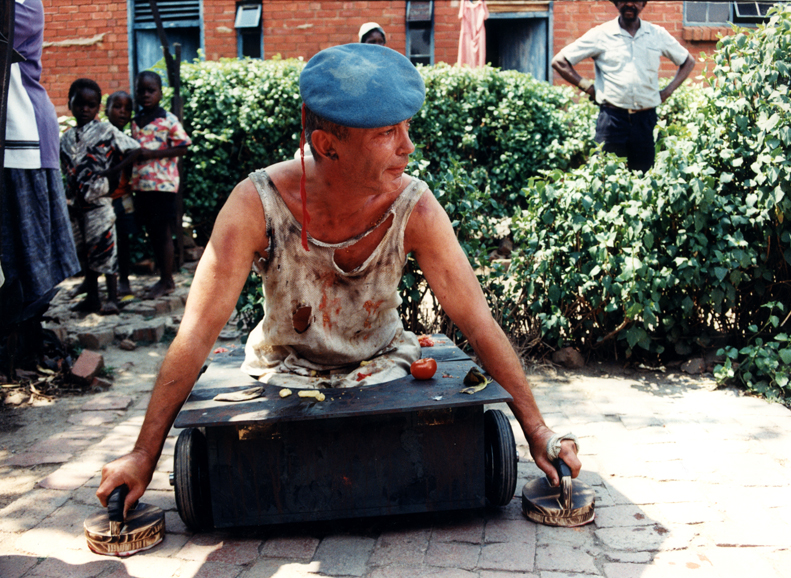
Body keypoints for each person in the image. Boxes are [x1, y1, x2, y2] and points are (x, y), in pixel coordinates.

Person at [97, 44, 581, 516]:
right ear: (327, 145)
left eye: (407, 128)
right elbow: (197, 333)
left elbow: (477, 321)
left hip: (384, 363)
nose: (408, 146)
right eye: (388, 133)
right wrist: (143, 454)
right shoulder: (255, 203)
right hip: (281, 369)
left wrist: (538, 430)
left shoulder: (416, 206)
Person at [1, 0, 80, 334]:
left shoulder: (23, 4)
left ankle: (24, 343)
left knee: (26, 260)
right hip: (12, 135)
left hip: (21, 133)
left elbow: (9, 29)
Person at [551, 0, 695, 172]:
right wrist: (589, 88)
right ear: (616, 3)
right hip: (612, 120)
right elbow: (560, 62)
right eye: (624, 0)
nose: (629, 4)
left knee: (645, 181)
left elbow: (688, 61)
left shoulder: (657, 34)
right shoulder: (601, 34)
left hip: (645, 121)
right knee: (604, 177)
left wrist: (667, 92)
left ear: (643, 3)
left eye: (635, 0)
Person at [60, 79, 142, 314]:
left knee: (106, 249)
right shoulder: (66, 138)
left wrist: (114, 170)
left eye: (91, 105)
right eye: (80, 104)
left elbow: (134, 148)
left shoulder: (105, 130)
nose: (85, 109)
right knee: (85, 253)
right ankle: (92, 298)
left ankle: (113, 298)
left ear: (97, 108)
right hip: (76, 206)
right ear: (70, 104)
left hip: (100, 203)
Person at [130, 70, 190, 300]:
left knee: (163, 232)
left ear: (160, 92)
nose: (146, 94)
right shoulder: (136, 121)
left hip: (162, 186)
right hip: (141, 186)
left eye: (151, 90)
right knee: (152, 233)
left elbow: (183, 146)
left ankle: (167, 281)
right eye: (141, 90)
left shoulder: (168, 119)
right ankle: (162, 278)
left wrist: (152, 153)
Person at [105, 91, 138, 299]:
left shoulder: (129, 138)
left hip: (123, 197)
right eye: (117, 106)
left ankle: (124, 281)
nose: (122, 112)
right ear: (106, 109)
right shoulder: (101, 134)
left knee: (124, 241)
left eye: (127, 108)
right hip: (103, 200)